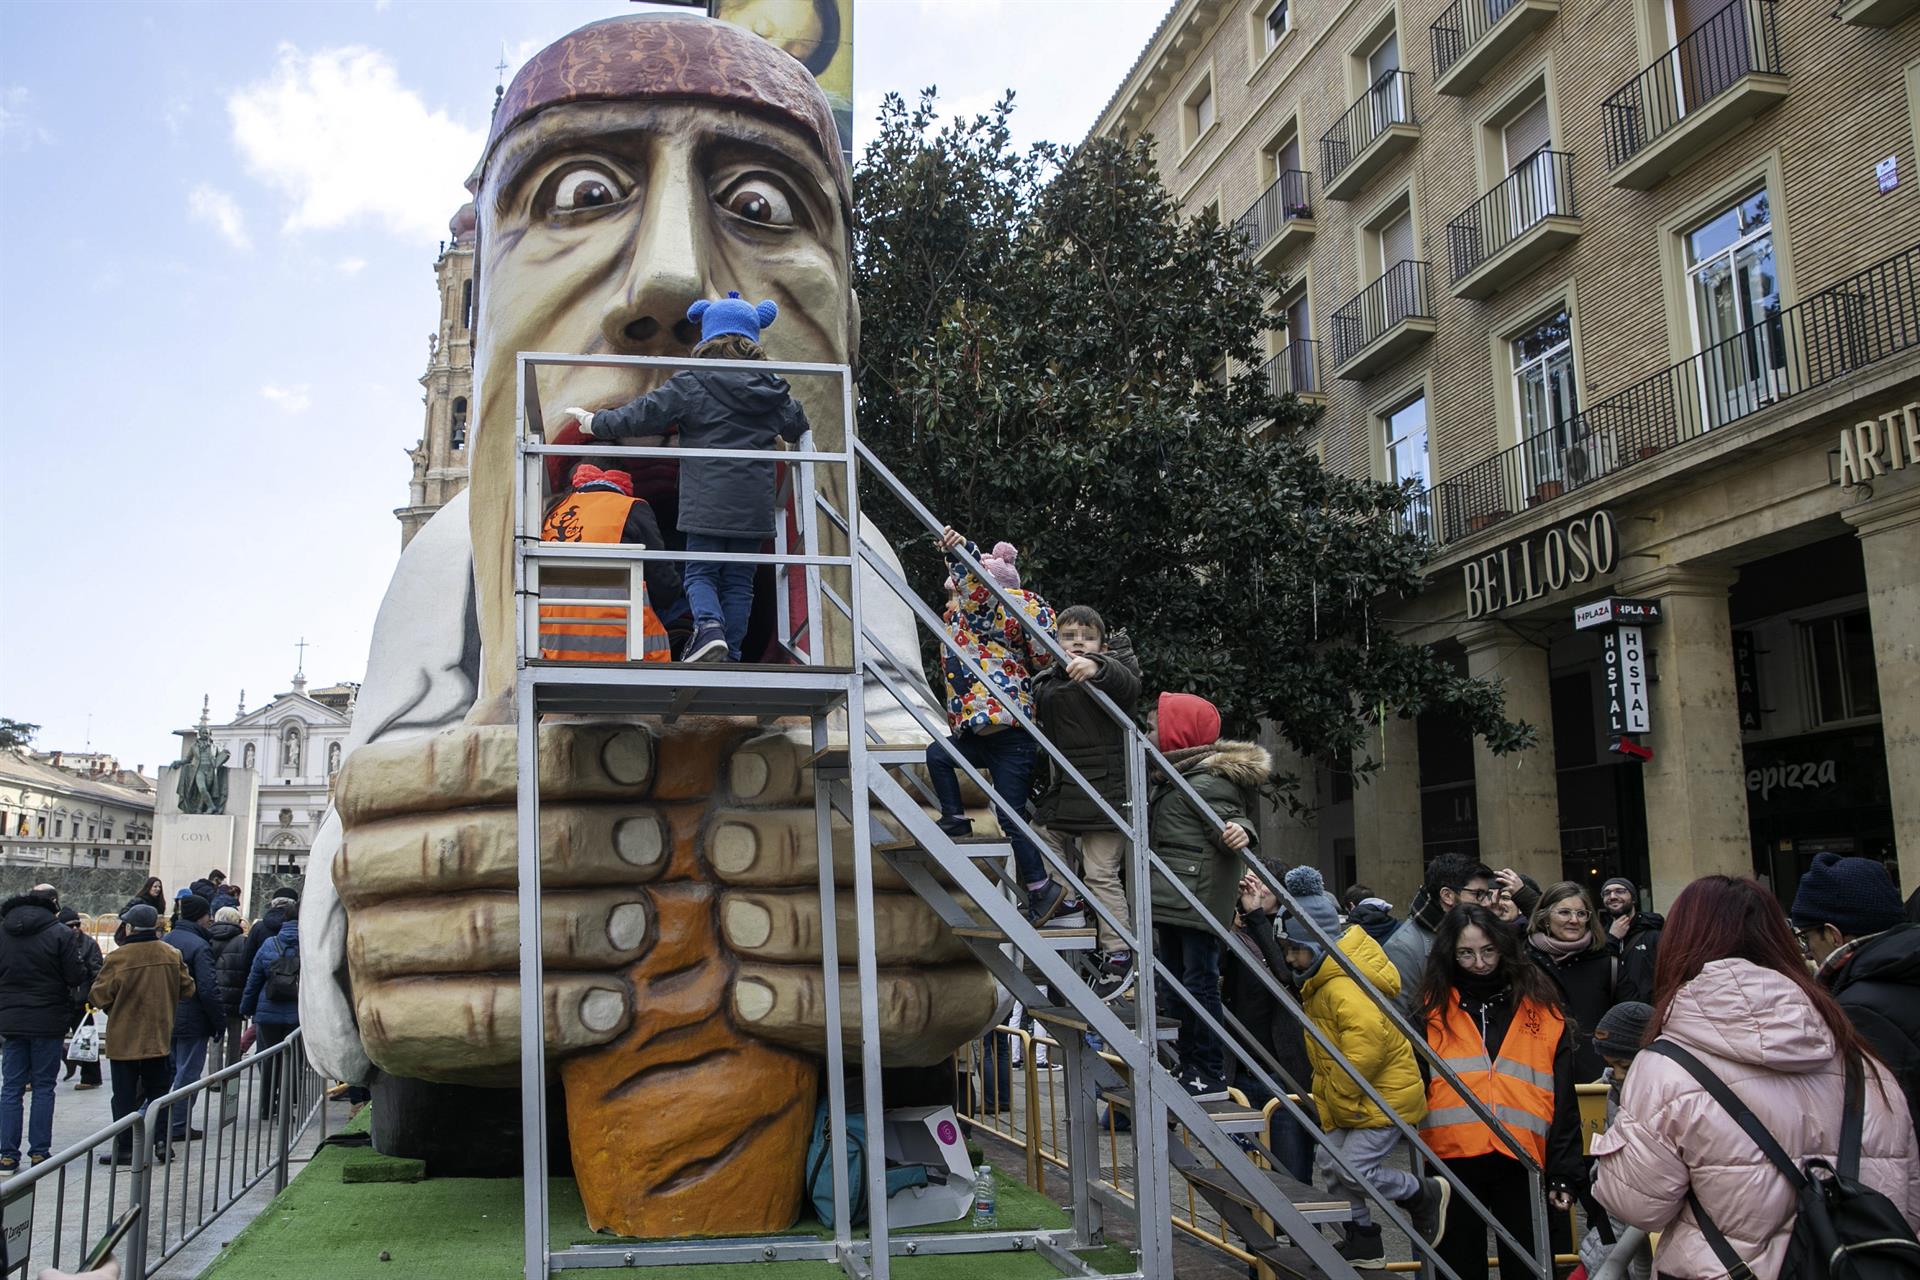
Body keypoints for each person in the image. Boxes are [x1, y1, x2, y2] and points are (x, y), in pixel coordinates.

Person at [1592, 875, 1920, 1278]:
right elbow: (1907, 1201)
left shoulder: (1666, 1066)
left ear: (1679, 945)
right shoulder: (1862, 1060)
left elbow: (1636, 1204)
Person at [565, 292, 810, 663]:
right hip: (754, 509)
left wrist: (596, 422)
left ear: (708, 336)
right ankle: (734, 653)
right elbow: (796, 426)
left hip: (706, 503)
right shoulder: (773, 391)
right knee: (740, 582)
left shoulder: (693, 384)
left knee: (700, 573)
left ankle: (709, 629)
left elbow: (644, 414)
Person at [1280, 866, 1445, 1267]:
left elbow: (1366, 1047)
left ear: (1318, 945)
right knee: (1330, 1165)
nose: (1289, 958)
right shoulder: (1321, 979)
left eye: (1295, 949)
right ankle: (1364, 1238)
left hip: (1382, 1095)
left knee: (1354, 1170)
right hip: (1351, 1094)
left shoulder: (1341, 984)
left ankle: (1422, 1193)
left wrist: (1338, 1091)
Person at [1416, 904, 1585, 1280]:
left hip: (1523, 1161)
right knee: (1456, 1268)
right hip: (1451, 1160)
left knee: (1528, 1268)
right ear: (1450, 954)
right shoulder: (1429, 1011)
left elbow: (1563, 1100)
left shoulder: (1542, 1009)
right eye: (1466, 953)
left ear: (1503, 948)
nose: (1479, 962)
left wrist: (1565, 1172)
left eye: (1488, 950)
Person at [923, 526, 1073, 925]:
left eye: (956, 591)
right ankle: (955, 818)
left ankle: (1043, 888)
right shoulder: (967, 620)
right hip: (979, 731)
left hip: (1010, 734)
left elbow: (981, 592)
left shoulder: (983, 614)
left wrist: (962, 552)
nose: (952, 598)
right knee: (937, 755)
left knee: (1009, 815)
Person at [1147, 692, 1266, 1102]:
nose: (1147, 735)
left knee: (1199, 984)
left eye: (1153, 728)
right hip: (1177, 896)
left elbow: (1231, 819)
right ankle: (1190, 1062)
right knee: (1180, 984)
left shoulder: (1206, 779)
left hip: (1194, 898)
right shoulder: (1175, 776)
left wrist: (1242, 831)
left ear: (1177, 734)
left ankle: (1208, 1069)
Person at [1031, 604, 1143, 994]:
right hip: (1075, 785)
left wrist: (1099, 668)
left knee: (1100, 872)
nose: (1077, 642)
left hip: (1109, 791)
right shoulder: (1050, 677)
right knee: (1040, 831)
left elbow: (1129, 686)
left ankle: (1119, 953)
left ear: (1102, 643)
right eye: (1068, 636)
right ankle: (1069, 902)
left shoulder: (1112, 670)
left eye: (1087, 636)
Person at [1789, 852, 1920, 1145]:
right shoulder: (1904, 967)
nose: (1807, 951)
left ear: (1833, 935)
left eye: (1807, 937)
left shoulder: (1858, 1010)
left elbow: (1884, 1126)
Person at [538, 463, 691, 662]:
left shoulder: (553, 512)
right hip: (626, 652)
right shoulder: (632, 508)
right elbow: (666, 588)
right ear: (623, 480)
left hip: (553, 653)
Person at [1221, 861, 1314, 1182]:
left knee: (1292, 1173)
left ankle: (1303, 1233)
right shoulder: (1232, 929)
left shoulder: (1293, 929)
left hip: (1283, 1073)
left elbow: (1286, 976)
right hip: (1241, 1070)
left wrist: (1256, 917)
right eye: (1248, 883)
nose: (1254, 891)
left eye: (1263, 886)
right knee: (1247, 1180)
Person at [89, 904, 194, 1164]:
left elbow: (98, 995)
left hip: (124, 1039)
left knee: (124, 1098)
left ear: (128, 927)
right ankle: (160, 1142)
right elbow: (188, 989)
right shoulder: (171, 954)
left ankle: (125, 1148)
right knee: (158, 1094)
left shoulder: (118, 958)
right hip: (158, 1036)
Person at [0, 888, 88, 1171]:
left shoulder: (3, 931)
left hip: (11, 1021)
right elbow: (75, 975)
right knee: (43, 1087)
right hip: (48, 1020)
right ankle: (39, 1152)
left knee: (11, 1088)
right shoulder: (60, 933)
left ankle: (7, 1155)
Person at [1525, 881, 1624, 1082]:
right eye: (1564, 913)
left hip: (1595, 1079)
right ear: (1544, 918)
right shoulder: (1524, 965)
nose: (1574, 920)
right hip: (1537, 1076)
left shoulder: (1608, 964)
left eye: (1581, 913)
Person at [1382, 854, 1496, 1014]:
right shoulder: (1404, 949)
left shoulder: (1480, 930)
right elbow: (1403, 1020)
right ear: (1447, 895)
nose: (1487, 903)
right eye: (1478, 894)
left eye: (1487, 894)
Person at [161, 896, 226, 1142]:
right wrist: (218, 1022)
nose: (211, 919)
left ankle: (164, 1121)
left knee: (171, 1072)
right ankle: (177, 1124)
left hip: (168, 1016)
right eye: (208, 914)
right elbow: (208, 988)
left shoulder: (167, 940)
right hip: (192, 1019)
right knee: (187, 1074)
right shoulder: (199, 946)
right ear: (200, 915)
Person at [241, 910, 301, 1118]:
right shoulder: (308, 945)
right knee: (292, 1062)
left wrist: (247, 1008)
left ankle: (266, 1106)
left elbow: (254, 979)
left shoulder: (268, 945)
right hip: (297, 1014)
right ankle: (286, 1108)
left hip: (267, 1013)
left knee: (267, 1059)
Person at [58, 908, 104, 1088]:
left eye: (78, 924)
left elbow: (97, 972)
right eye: (71, 926)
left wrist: (93, 997)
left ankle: (91, 1077)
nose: (76, 928)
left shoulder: (88, 944)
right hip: (60, 1000)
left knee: (87, 1040)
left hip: (81, 1000)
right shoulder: (57, 941)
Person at [1598, 876, 1661, 1004]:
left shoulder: (1654, 934)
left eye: (1620, 891)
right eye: (1607, 893)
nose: (1612, 896)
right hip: (1613, 1013)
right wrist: (1612, 939)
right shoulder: (1599, 936)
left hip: (1647, 1011)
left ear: (1633, 898)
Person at [208, 906, 249, 1063]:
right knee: (234, 1040)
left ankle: (215, 1082)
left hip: (214, 997)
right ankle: (232, 1083)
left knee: (215, 1040)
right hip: (235, 997)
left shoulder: (208, 938)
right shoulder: (242, 941)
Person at [242, 888, 298, 973]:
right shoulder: (300, 927)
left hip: (263, 979)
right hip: (293, 980)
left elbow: (247, 958)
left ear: (273, 903)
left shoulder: (258, 927)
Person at [113, 877, 165, 946]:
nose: (158, 889)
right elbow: (122, 914)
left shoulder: (160, 903)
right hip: (136, 936)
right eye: (155, 887)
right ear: (148, 887)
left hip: (152, 937)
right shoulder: (138, 901)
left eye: (159, 887)